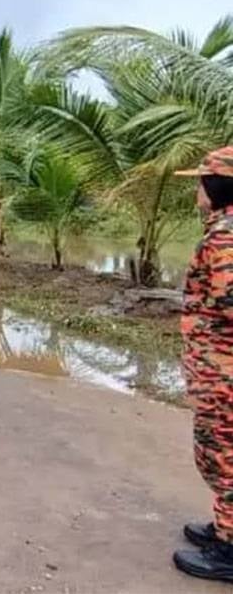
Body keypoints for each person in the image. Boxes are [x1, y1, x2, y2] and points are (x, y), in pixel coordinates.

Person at [174, 146, 233, 583]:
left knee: (226, 455)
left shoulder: (226, 237)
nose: (196, 189)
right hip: (216, 370)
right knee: (216, 452)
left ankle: (230, 551)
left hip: (225, 374)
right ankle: (225, 527)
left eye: (201, 181)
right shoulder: (222, 230)